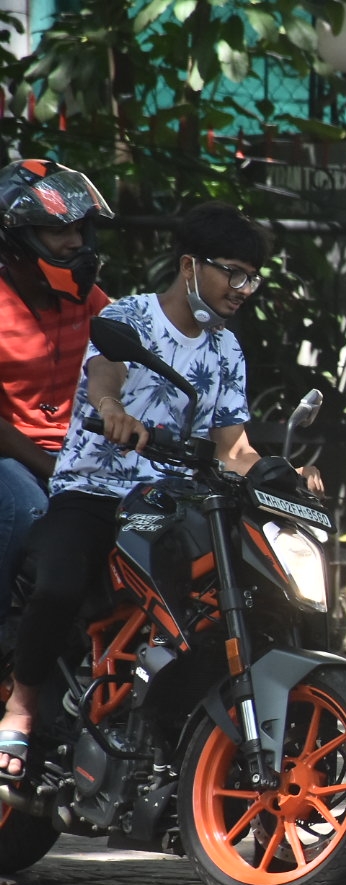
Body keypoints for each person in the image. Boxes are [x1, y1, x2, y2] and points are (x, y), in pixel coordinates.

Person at [0, 201, 321, 780]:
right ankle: (21, 709)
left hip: (171, 503)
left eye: (253, 277)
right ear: (190, 265)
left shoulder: (225, 347)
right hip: (96, 490)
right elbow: (106, 374)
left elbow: (234, 447)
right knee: (58, 582)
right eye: (234, 272)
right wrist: (112, 410)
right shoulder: (132, 319)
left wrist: (286, 479)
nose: (244, 288)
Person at [0, 160, 114, 593]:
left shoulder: (87, 301)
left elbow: (138, 354)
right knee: (26, 508)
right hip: (17, 461)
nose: (75, 243)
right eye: (58, 231)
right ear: (16, 240)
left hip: (77, 460)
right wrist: (54, 469)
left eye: (80, 230)